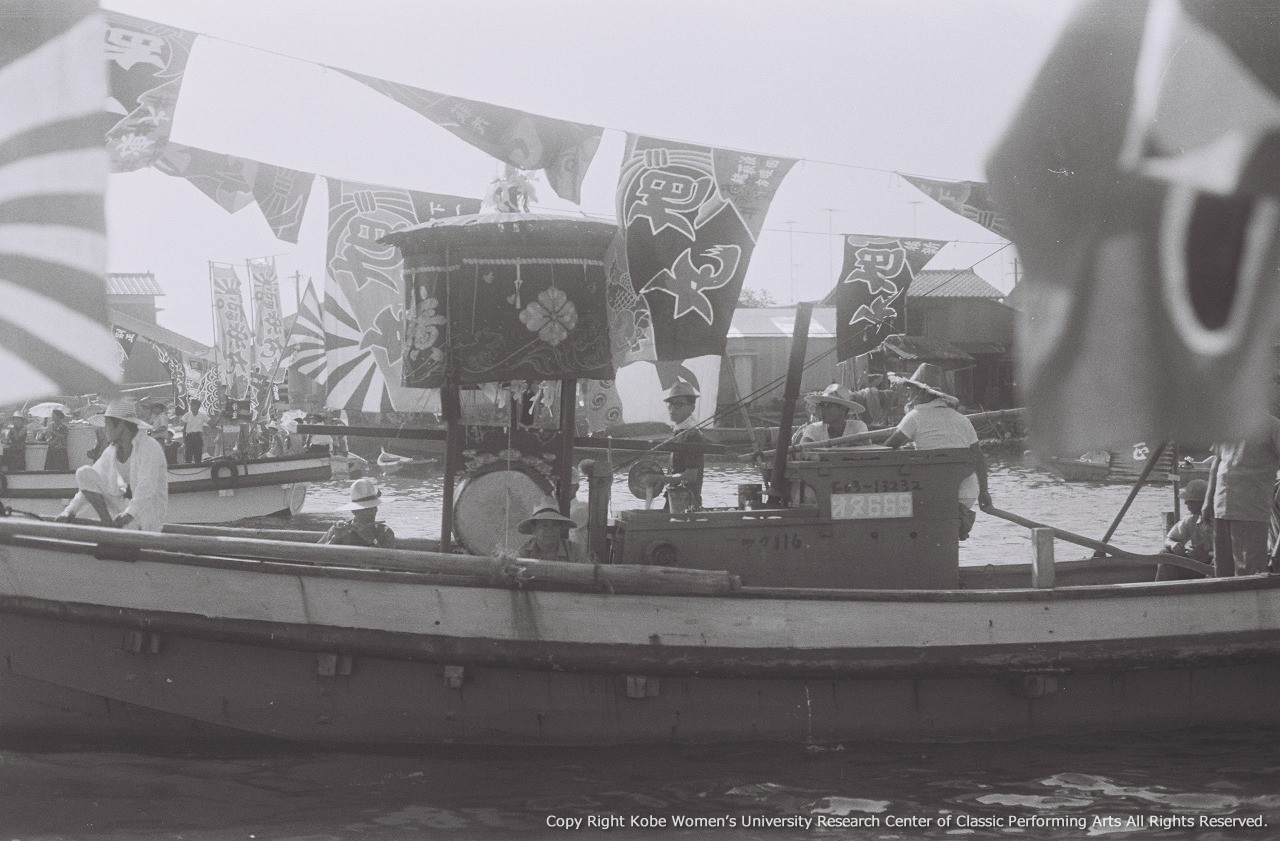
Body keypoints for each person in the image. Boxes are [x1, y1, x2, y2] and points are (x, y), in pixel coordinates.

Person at [883, 363, 991, 540]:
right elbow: (978, 458)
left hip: (932, 493)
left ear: (924, 393)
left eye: (911, 389)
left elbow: (888, 447)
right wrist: (984, 491)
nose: (908, 393)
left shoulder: (914, 416)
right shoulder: (962, 419)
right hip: (966, 494)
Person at [56, 397, 169, 531]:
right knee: (84, 473)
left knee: (132, 522)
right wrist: (69, 511)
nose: (104, 429)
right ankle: (108, 525)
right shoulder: (111, 450)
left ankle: (119, 529)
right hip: (125, 511)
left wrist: (128, 514)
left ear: (120, 425)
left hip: (148, 515)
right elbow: (89, 482)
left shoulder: (149, 446)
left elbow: (146, 487)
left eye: (107, 424)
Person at [1202, 413, 1280, 577]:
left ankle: (1252, 594)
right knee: (1222, 568)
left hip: (1251, 507)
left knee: (1250, 569)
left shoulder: (1273, 426)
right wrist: (1207, 501)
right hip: (1221, 505)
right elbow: (1217, 462)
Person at [318, 477, 397, 548]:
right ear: (354, 511)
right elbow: (316, 555)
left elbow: (390, 558)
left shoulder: (384, 531)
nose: (373, 512)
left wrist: (371, 540)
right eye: (366, 509)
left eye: (374, 507)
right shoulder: (338, 529)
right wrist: (335, 539)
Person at [663, 380, 705, 511]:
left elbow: (691, 476)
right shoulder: (679, 432)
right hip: (674, 500)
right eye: (670, 405)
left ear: (692, 407)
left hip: (687, 503)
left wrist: (658, 479)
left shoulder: (692, 435)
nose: (672, 409)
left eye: (678, 405)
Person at [1159, 479, 1212, 580]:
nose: (1185, 503)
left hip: (1214, 567)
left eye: (1190, 501)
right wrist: (1173, 544)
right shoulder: (1191, 520)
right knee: (1165, 553)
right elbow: (1168, 540)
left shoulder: (1221, 522)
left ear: (1202, 502)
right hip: (1195, 565)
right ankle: (1165, 587)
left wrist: (1206, 555)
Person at [792, 384, 868, 451]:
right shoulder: (813, 428)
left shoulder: (857, 427)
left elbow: (867, 449)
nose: (821, 410)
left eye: (826, 405)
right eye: (820, 405)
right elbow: (802, 449)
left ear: (842, 409)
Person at [517, 503, 592, 563]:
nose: (549, 530)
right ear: (534, 529)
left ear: (560, 529)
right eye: (544, 526)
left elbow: (588, 573)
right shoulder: (523, 553)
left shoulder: (575, 551)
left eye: (554, 525)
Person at [181, 399, 208, 464]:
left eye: (195, 406)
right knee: (188, 457)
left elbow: (212, 424)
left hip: (198, 437)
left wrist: (220, 416)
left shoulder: (202, 415)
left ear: (198, 407)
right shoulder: (186, 415)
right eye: (191, 406)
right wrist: (184, 442)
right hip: (189, 437)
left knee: (198, 456)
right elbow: (184, 430)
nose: (193, 407)